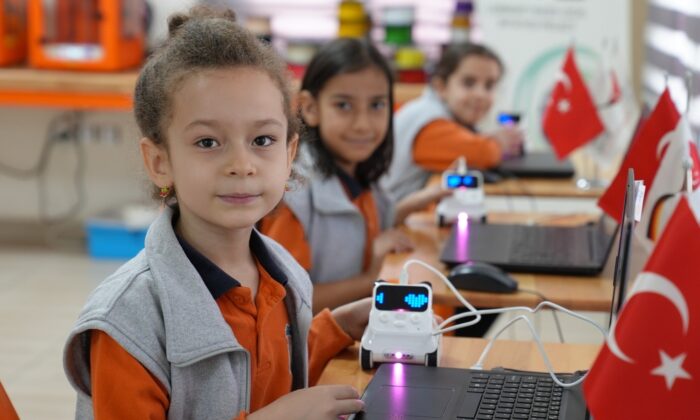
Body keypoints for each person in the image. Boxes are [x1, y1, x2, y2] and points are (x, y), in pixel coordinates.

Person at [63, 7, 370, 419]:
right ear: (160, 162)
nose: (242, 165)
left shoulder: (285, 274)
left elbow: (262, 381)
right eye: (208, 142)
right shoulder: (128, 320)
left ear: (290, 153)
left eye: (262, 140)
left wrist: (336, 329)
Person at [259, 38, 448, 313]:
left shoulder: (355, 171)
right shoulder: (293, 195)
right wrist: (368, 280)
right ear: (310, 108)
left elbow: (356, 227)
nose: (363, 124)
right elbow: (285, 303)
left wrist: (411, 205)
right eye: (344, 106)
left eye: (377, 105)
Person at [382, 42, 524, 201]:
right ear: (441, 87)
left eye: (489, 86)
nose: (480, 94)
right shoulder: (429, 120)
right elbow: (482, 154)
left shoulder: (446, 115)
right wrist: (500, 143)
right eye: (468, 83)